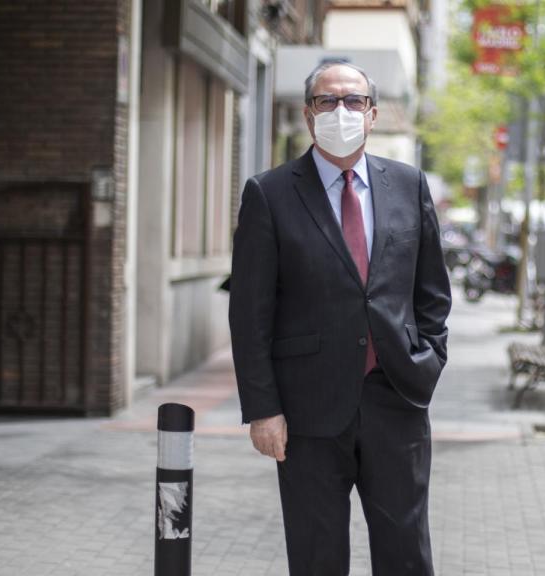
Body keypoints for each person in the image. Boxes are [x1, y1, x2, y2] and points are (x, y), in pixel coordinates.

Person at [228, 61, 451, 575]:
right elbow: (250, 314)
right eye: (328, 101)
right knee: (316, 557)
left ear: (372, 114)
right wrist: (263, 409)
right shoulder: (270, 193)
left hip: (396, 400)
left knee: (406, 555)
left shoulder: (408, 185)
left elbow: (432, 292)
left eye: (353, 101)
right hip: (307, 413)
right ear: (309, 115)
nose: (341, 111)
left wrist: (428, 361)